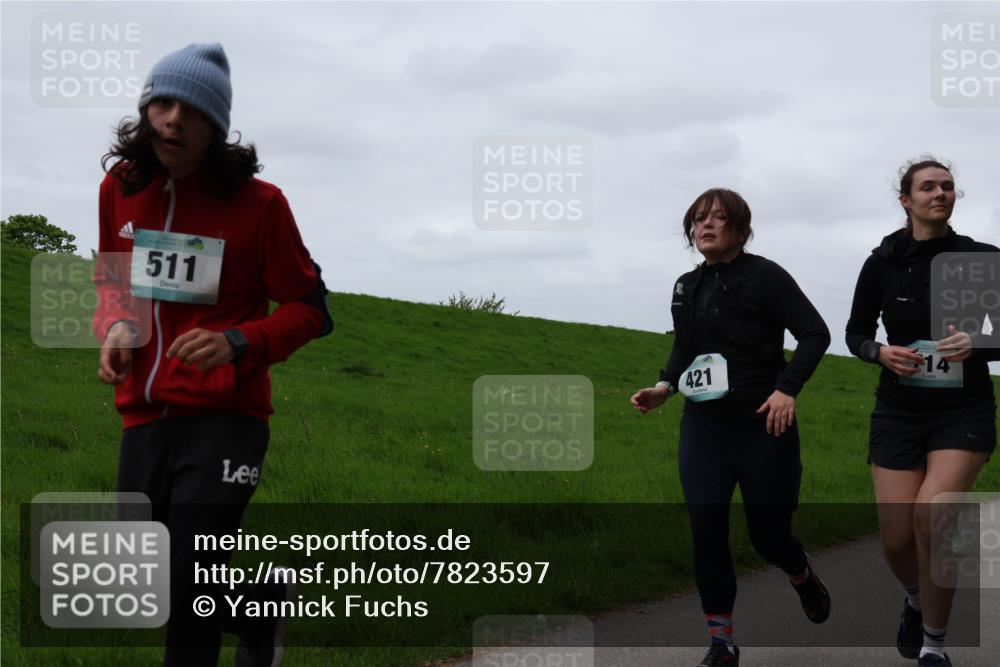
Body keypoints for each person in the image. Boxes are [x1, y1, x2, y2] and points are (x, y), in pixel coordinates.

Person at [93, 42, 333, 667]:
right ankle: (263, 604)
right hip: (143, 417)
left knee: (189, 575)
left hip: (227, 421)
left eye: (192, 111)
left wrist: (239, 341)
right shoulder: (120, 189)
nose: (174, 119)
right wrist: (117, 324)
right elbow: (113, 282)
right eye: (162, 104)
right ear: (146, 111)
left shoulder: (261, 206)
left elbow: (313, 310)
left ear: (216, 127)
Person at [630, 188, 832, 667]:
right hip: (704, 427)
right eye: (699, 219)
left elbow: (815, 333)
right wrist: (665, 386)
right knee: (706, 527)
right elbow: (686, 348)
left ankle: (801, 572)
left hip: (763, 425)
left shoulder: (765, 276)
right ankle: (722, 642)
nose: (707, 225)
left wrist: (787, 388)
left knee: (768, 536)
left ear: (741, 229)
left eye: (719, 218)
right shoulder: (684, 285)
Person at [845, 157, 998, 667]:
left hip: (964, 409)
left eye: (948, 186)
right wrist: (879, 353)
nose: (940, 193)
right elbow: (856, 333)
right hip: (898, 410)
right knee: (895, 540)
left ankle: (934, 645)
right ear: (906, 200)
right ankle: (913, 599)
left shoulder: (981, 259)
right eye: (928, 187)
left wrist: (977, 343)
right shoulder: (881, 262)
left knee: (933, 518)